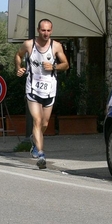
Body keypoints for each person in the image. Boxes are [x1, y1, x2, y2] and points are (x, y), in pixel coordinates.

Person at [15, 18, 69, 169]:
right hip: (32, 88)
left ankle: (34, 139)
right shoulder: (29, 44)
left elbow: (66, 64)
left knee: (44, 123)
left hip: (50, 88)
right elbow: (18, 55)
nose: (46, 33)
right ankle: (41, 154)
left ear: (51, 31)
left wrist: (54, 67)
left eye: (48, 30)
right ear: (38, 30)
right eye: (43, 30)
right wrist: (18, 67)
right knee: (37, 121)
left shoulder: (56, 46)